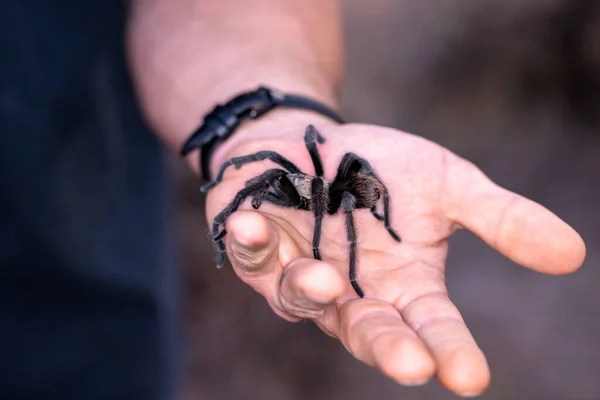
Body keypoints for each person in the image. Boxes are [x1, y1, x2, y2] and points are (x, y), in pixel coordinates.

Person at [0, 1, 586, 399]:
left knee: (321, 194)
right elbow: (265, 173)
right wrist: (240, 181)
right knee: (264, 182)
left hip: (74, 323)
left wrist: (263, 120)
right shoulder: (290, 182)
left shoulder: (340, 185)